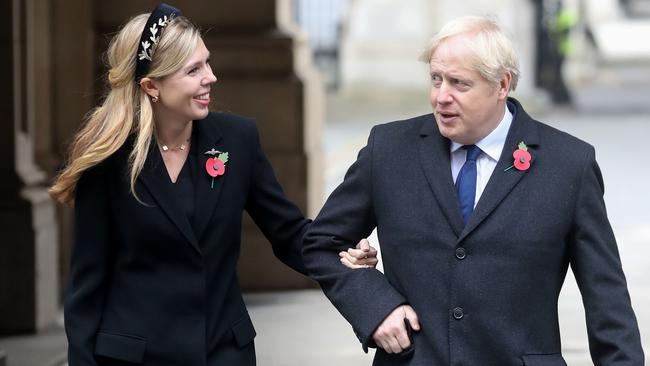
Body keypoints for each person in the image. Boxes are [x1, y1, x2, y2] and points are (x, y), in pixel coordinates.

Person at [302, 15, 644, 365]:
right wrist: (375, 305)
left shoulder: (569, 163)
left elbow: (608, 301)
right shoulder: (388, 150)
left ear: (502, 85)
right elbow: (320, 244)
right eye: (436, 79)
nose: (441, 97)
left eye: (458, 84)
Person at [49, 4, 377, 365]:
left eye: (207, 62)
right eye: (194, 70)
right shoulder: (108, 161)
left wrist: (342, 254)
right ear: (151, 86)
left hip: (222, 351)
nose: (211, 77)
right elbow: (87, 284)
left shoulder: (238, 140)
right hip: (134, 356)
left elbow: (289, 232)